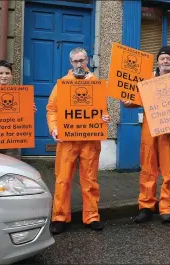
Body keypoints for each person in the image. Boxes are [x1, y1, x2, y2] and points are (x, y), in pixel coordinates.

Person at [123, 46, 170, 224]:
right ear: (158, 61)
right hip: (150, 130)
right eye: (162, 58)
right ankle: (146, 207)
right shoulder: (147, 79)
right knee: (148, 169)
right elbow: (135, 100)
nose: (165, 61)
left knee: (169, 171)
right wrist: (126, 100)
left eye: (168, 58)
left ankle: (166, 208)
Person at [46, 47, 110, 234]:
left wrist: (104, 118)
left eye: (82, 60)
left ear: (87, 61)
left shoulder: (96, 83)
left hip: (90, 140)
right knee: (62, 179)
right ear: (70, 63)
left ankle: (91, 216)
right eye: (76, 61)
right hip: (68, 141)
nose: (79, 64)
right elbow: (52, 109)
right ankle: (59, 217)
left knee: (90, 180)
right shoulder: (63, 84)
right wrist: (54, 127)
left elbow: (101, 110)